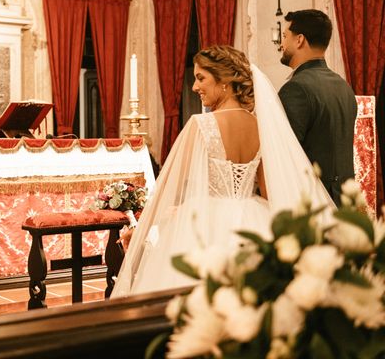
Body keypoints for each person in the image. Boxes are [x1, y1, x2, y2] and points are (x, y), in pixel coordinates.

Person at [112, 45, 336, 296]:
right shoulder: (261, 127)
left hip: (205, 232)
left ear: (225, 81)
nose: (195, 87)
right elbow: (269, 191)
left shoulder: (201, 125)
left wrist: (141, 230)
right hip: (254, 224)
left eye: (201, 78)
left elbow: (168, 189)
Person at [278, 9, 357, 206]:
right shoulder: (343, 85)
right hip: (345, 199)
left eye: (285, 36)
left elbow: (284, 155)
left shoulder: (296, 88)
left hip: (316, 203)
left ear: (300, 40)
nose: (281, 44)